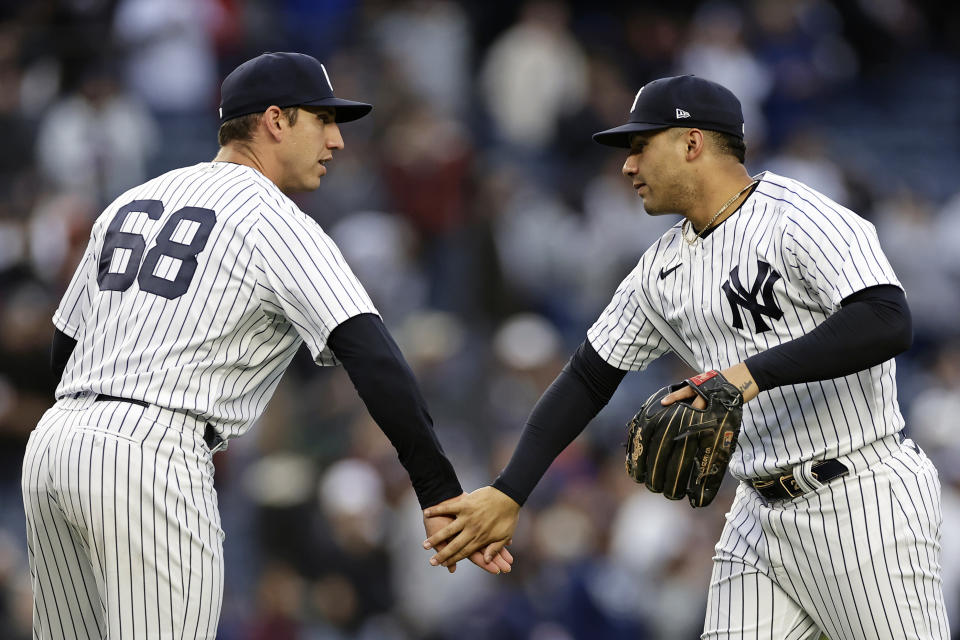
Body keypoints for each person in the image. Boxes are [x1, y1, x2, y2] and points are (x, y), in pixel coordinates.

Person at [423, 75, 949, 639]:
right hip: (757, 515)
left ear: (692, 143)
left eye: (640, 146)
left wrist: (746, 376)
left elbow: (886, 319)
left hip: (860, 497)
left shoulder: (800, 217)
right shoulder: (662, 268)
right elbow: (588, 376)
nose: (627, 166)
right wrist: (510, 490)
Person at [21, 51, 510, 640]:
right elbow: (373, 355)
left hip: (55, 445)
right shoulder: (271, 216)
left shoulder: (132, 200)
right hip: (150, 454)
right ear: (275, 120)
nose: (337, 141)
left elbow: (63, 346)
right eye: (323, 120)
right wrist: (438, 491)